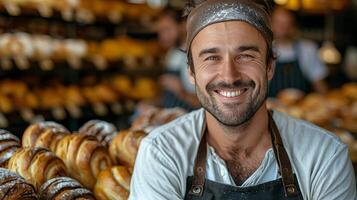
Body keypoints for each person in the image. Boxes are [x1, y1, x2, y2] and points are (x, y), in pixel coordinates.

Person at [130, 0, 356, 199]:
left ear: (269, 66)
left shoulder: (324, 157)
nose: (229, 76)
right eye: (211, 57)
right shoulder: (162, 154)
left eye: (246, 56)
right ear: (191, 72)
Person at [269, 7, 329, 97]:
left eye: (286, 23)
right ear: (270, 25)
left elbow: (319, 83)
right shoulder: (264, 50)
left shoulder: (307, 49)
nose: (282, 28)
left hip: (300, 108)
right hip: (271, 108)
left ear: (293, 26)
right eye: (278, 23)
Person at [156, 7, 199, 110]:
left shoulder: (196, 54)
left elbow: (206, 105)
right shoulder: (172, 53)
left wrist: (181, 91)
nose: (162, 37)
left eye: (167, 29)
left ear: (183, 26)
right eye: (160, 31)